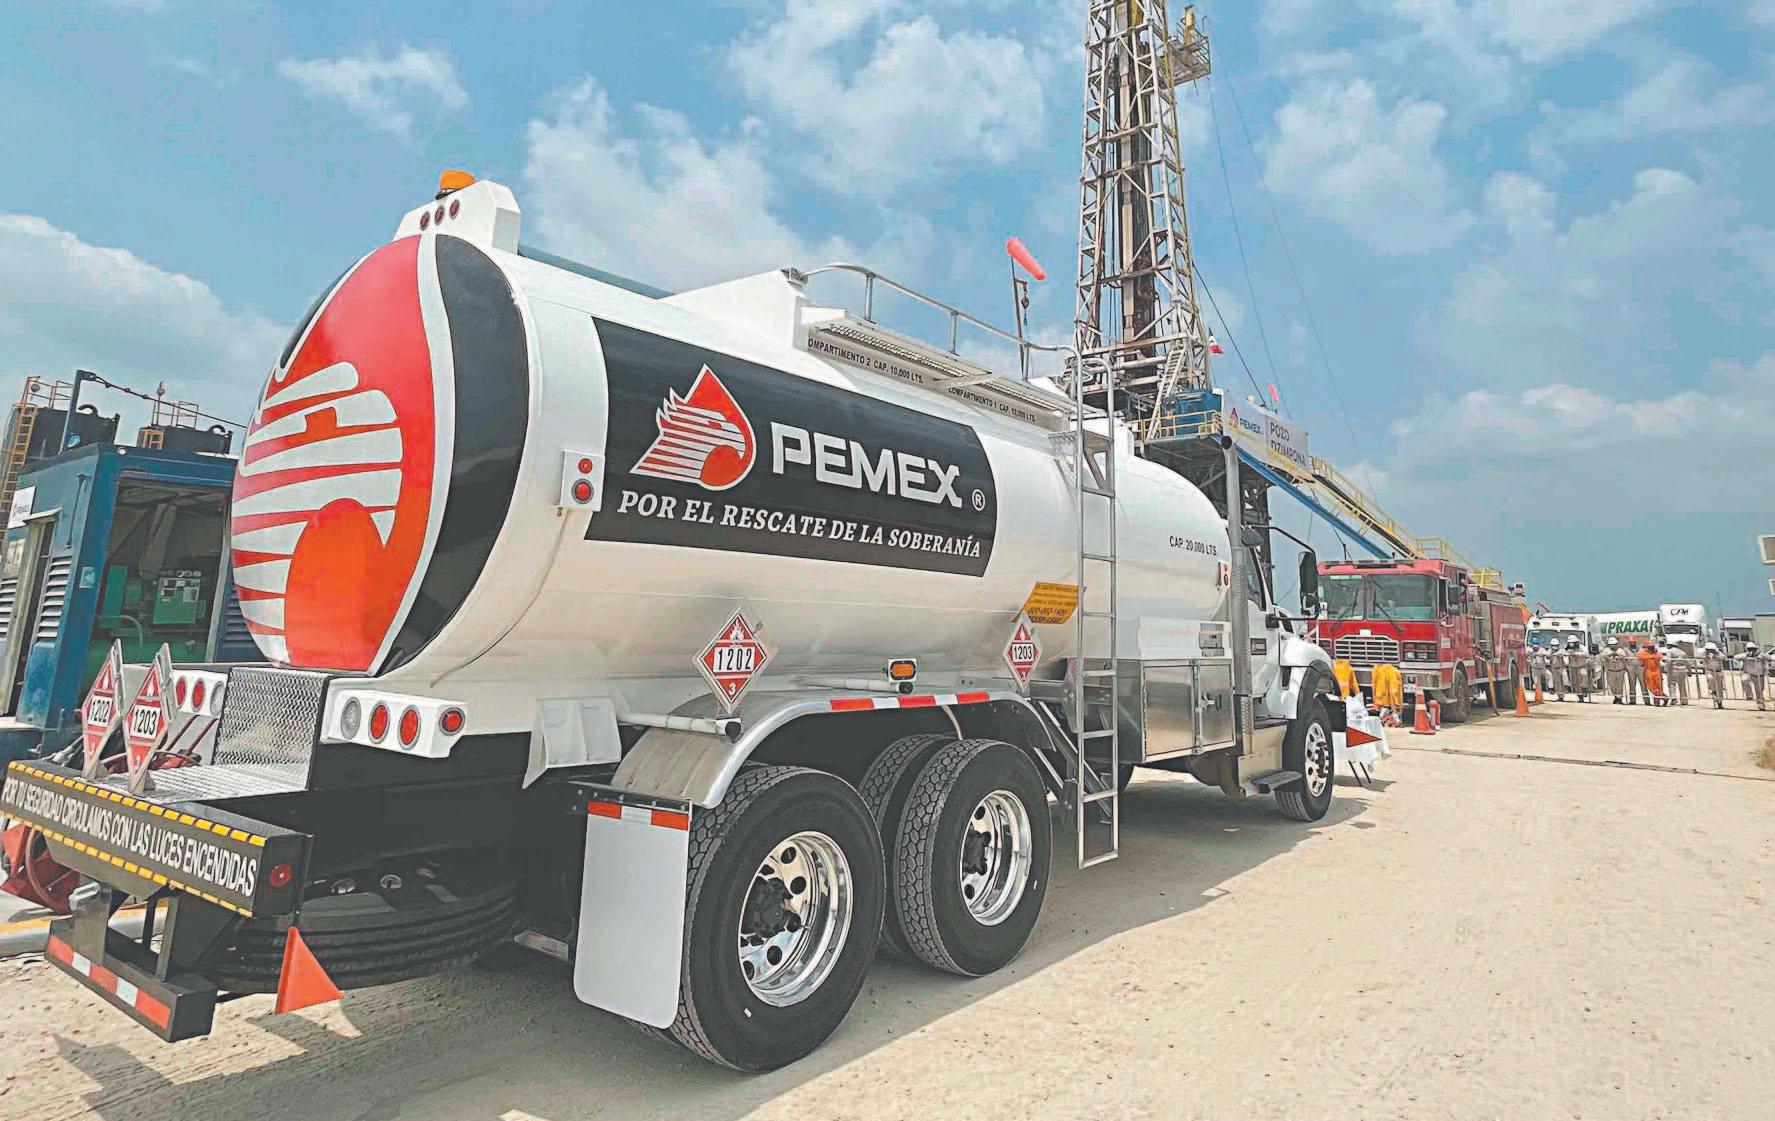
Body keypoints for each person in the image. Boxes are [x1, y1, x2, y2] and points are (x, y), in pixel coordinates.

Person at [1638, 641, 1666, 707]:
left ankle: (1657, 701)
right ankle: (1664, 697)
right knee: (1651, 687)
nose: (1651, 648)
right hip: (1648, 671)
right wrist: (1651, 655)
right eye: (1650, 647)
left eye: (1652, 647)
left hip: (1657, 671)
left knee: (1659, 687)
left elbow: (1660, 657)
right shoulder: (1644, 653)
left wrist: (1653, 654)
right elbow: (1640, 656)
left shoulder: (1657, 653)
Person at [1602, 638, 1629, 703]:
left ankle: (1619, 698)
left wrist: (1618, 655)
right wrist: (1611, 654)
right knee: (1612, 685)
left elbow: (1624, 655)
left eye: (1614, 644)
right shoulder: (1606, 650)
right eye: (1611, 645)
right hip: (1610, 671)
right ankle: (1615, 696)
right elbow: (1603, 655)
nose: (1613, 646)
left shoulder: (1620, 650)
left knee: (1620, 685)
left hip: (1620, 670)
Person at [1701, 642, 1727, 709]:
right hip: (1710, 671)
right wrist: (1706, 657)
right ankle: (1713, 691)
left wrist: (1716, 656)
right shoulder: (1704, 653)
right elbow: (1698, 656)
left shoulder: (1719, 653)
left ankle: (1720, 702)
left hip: (1718, 672)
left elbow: (1724, 657)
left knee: (1719, 688)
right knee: (1710, 679)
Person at [1624, 640, 1649, 705]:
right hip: (1631, 667)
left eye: (1633, 643)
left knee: (1643, 684)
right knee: (1632, 684)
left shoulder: (1641, 650)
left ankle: (1646, 700)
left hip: (1640, 667)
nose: (1632, 644)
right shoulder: (1626, 650)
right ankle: (1632, 700)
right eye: (1631, 643)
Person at [1746, 646, 1769, 712]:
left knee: (1760, 690)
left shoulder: (1761, 655)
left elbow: (1769, 657)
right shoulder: (1746, 655)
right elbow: (1736, 657)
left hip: (1760, 675)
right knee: (1744, 680)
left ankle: (1760, 703)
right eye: (1750, 649)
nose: (1752, 651)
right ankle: (1750, 695)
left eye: (1753, 649)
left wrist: (1762, 655)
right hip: (1750, 674)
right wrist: (1746, 655)